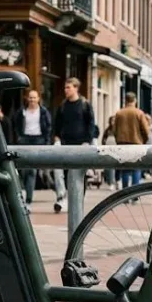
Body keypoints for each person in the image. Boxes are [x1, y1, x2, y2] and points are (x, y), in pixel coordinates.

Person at [51, 79, 95, 213]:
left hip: (81, 143)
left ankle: (78, 200)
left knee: (80, 173)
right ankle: (62, 197)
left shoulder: (85, 104)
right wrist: (57, 138)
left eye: (68, 88)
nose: (66, 90)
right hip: (65, 143)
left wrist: (88, 141)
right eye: (65, 88)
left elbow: (91, 124)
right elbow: (57, 123)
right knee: (61, 171)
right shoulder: (63, 105)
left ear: (76, 88)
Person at [14, 89, 52, 206]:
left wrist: (46, 141)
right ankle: (24, 193)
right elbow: (16, 124)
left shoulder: (43, 112)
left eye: (34, 97)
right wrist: (19, 137)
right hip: (25, 140)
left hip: (38, 140)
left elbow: (48, 126)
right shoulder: (22, 111)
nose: (32, 100)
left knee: (32, 170)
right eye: (30, 97)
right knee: (24, 169)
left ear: (38, 99)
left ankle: (28, 199)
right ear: (27, 99)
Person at [107, 92, 152, 188]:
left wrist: (119, 141)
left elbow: (114, 130)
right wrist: (143, 141)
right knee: (136, 168)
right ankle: (134, 195)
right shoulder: (139, 113)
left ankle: (125, 194)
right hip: (136, 144)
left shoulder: (119, 113)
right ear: (135, 100)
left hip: (122, 144)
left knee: (125, 169)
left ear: (125, 100)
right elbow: (146, 130)